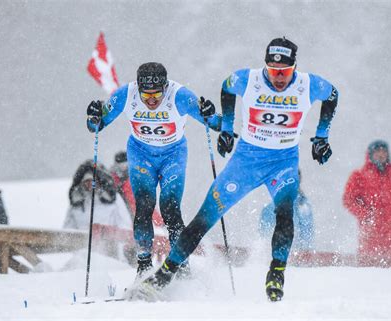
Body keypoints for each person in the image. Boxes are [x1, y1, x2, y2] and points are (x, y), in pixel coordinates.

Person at [132, 37, 339, 302]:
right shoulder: (248, 79)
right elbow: (227, 87)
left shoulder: (307, 84)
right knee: (203, 219)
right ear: (265, 65)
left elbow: (332, 95)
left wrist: (322, 136)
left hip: (283, 164)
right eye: (273, 70)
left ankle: (276, 273)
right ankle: (163, 276)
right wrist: (227, 128)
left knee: (285, 214)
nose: (278, 78)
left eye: (284, 72)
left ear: (294, 68)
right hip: (245, 163)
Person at [86, 62, 221, 278]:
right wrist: (94, 116)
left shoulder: (179, 96)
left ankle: (181, 265)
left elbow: (215, 123)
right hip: (141, 154)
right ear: (138, 88)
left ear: (165, 88)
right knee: (144, 206)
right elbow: (97, 125)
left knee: (170, 210)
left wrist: (210, 114)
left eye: (156, 94)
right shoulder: (126, 94)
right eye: (145, 95)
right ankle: (143, 266)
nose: (151, 100)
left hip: (173, 156)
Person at [343, 140, 391, 267]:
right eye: (377, 151)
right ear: (370, 154)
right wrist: (366, 215)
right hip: (368, 238)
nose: (381, 155)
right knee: (367, 274)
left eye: (384, 151)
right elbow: (348, 199)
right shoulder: (359, 176)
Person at [63, 159, 133, 261]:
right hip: (81, 255)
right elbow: (68, 228)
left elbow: (125, 225)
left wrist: (116, 240)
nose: (90, 185)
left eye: (92, 181)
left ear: (99, 182)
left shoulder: (113, 199)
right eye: (86, 182)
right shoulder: (77, 202)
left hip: (111, 253)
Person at [259, 170, 314, 251]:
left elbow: (307, 239)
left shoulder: (303, 206)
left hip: (290, 255)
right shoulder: (304, 206)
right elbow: (307, 239)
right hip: (289, 255)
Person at [109, 150, 164, 227]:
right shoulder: (111, 178)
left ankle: (158, 223)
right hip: (118, 214)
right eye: (122, 164)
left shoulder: (133, 179)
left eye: (125, 164)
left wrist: (159, 222)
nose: (124, 167)